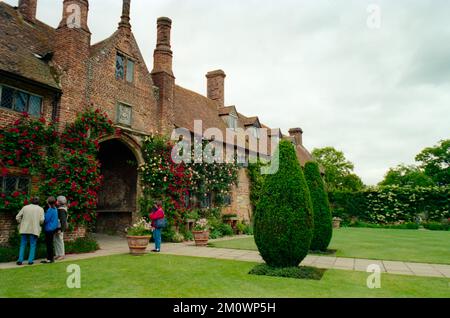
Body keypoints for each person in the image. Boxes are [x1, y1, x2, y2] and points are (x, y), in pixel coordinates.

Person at [16, 197, 45, 266]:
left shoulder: (25, 207)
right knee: (33, 244)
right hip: (34, 229)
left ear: (31, 201)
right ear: (38, 202)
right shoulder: (41, 209)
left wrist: (21, 223)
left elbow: (17, 217)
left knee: (23, 244)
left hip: (24, 228)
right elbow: (42, 220)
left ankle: (20, 260)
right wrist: (39, 224)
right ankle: (30, 261)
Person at [41, 196, 59, 264]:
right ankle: (50, 258)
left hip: (49, 228)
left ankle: (50, 259)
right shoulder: (55, 209)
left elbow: (46, 220)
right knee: (50, 244)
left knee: (49, 244)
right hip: (53, 228)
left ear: (48, 202)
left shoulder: (50, 210)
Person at [54, 196, 68, 261]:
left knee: (60, 241)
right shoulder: (60, 208)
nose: (56, 202)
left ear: (60, 202)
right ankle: (58, 254)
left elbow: (63, 221)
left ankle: (62, 254)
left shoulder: (62, 210)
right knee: (56, 241)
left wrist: (61, 229)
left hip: (59, 228)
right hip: (57, 227)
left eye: (57, 200)